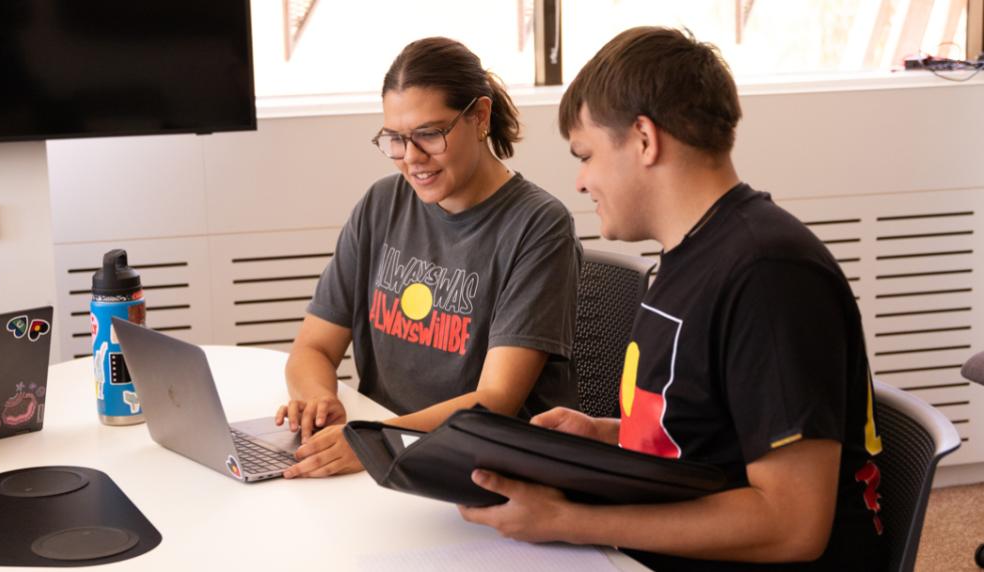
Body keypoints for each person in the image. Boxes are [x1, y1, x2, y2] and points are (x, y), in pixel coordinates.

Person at [458, 27, 886, 571]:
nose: (581, 181)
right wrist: (608, 436)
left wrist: (568, 521)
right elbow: (711, 437)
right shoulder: (691, 253)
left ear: (643, 139)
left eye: (586, 155)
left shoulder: (769, 276)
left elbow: (792, 525)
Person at [275, 37, 581, 479]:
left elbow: (495, 399)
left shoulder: (538, 225)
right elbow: (313, 348)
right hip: (389, 457)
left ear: (479, 116)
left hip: (482, 469)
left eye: (429, 134)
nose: (412, 158)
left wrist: (372, 440)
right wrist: (319, 400)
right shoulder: (382, 204)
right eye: (395, 139)